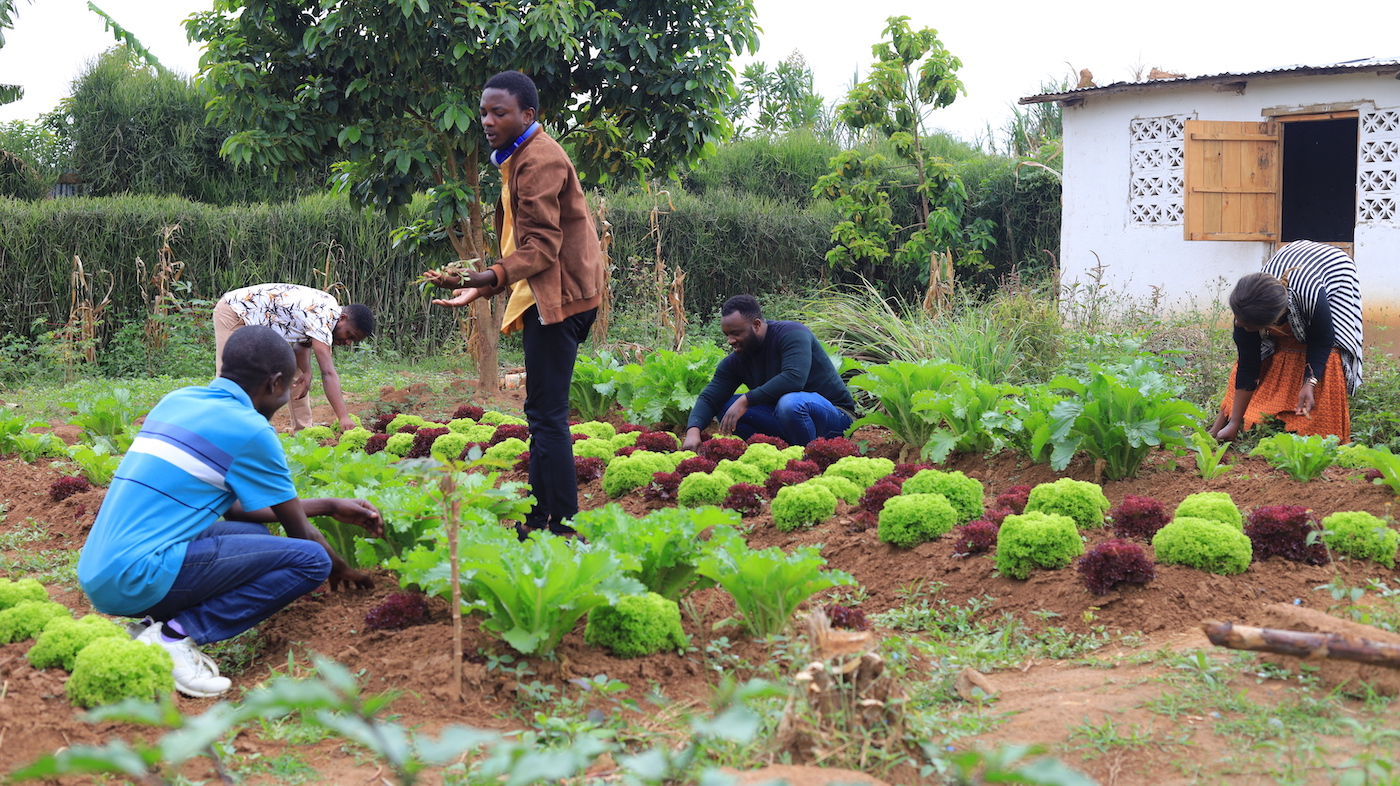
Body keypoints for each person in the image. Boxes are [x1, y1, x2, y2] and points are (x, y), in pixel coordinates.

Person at [77, 326, 382, 698]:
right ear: (273, 383)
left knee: (255, 539)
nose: (286, 398)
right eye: (289, 389)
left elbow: (239, 511)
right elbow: (302, 535)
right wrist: (342, 568)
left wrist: (330, 506)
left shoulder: (179, 400)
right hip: (135, 577)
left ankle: (148, 629)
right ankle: (173, 637)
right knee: (311, 561)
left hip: (101, 568)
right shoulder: (251, 429)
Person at [423, 70, 603, 539]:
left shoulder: (538, 160)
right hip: (551, 294)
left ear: (527, 114)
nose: (487, 120)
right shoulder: (518, 157)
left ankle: (564, 529)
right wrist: (483, 287)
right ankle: (540, 519)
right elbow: (525, 246)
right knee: (542, 415)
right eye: (483, 112)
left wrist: (484, 276)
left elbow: (542, 246)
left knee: (548, 417)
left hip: (560, 300)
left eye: (498, 112)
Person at [1209, 240, 1363, 443]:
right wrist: (1234, 423)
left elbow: (1322, 341)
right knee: (1259, 357)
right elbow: (1248, 364)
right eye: (1238, 318)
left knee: (1329, 359)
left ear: (1270, 323)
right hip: (1292, 261)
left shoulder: (1311, 296)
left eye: (1245, 324)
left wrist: (1310, 382)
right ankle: (1223, 423)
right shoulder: (1247, 302)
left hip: (1334, 271)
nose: (1237, 323)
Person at [682, 295, 856, 452]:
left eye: (736, 333)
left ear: (756, 325)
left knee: (790, 403)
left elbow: (794, 378)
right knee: (727, 407)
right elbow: (709, 398)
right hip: (787, 420)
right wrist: (693, 431)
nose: (730, 341)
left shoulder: (792, 334)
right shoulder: (737, 360)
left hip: (834, 418)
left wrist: (746, 399)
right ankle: (779, 453)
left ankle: (809, 459)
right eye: (727, 335)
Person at [214, 283, 374, 433]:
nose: (347, 342)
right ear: (342, 318)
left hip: (258, 322)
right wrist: (343, 417)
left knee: (297, 374)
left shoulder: (328, 312)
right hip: (235, 311)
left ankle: (302, 430)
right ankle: (222, 429)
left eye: (352, 341)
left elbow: (303, 345)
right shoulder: (324, 315)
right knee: (231, 375)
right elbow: (328, 373)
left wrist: (307, 371)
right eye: (349, 335)